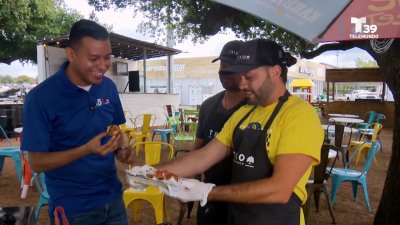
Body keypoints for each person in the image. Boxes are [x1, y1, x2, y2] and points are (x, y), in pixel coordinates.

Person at [155, 39, 324, 225]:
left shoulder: (298, 115)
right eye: (240, 76)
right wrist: (152, 172)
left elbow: (281, 189)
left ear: (275, 72)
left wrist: (207, 192)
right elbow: (203, 157)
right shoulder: (244, 113)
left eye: (249, 77)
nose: (242, 85)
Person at [21, 19, 133, 225]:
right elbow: (36, 163)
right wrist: (85, 150)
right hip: (73, 208)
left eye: (107, 57)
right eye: (94, 58)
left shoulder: (107, 87)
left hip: (114, 199)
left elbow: (117, 128)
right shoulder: (41, 98)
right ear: (71, 55)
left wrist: (122, 148)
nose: (103, 66)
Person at [193, 40, 246, 225]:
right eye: (223, 65)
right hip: (209, 197)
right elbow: (198, 149)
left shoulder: (255, 108)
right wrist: (192, 185)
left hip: (244, 201)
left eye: (232, 66)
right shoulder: (209, 106)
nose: (225, 71)